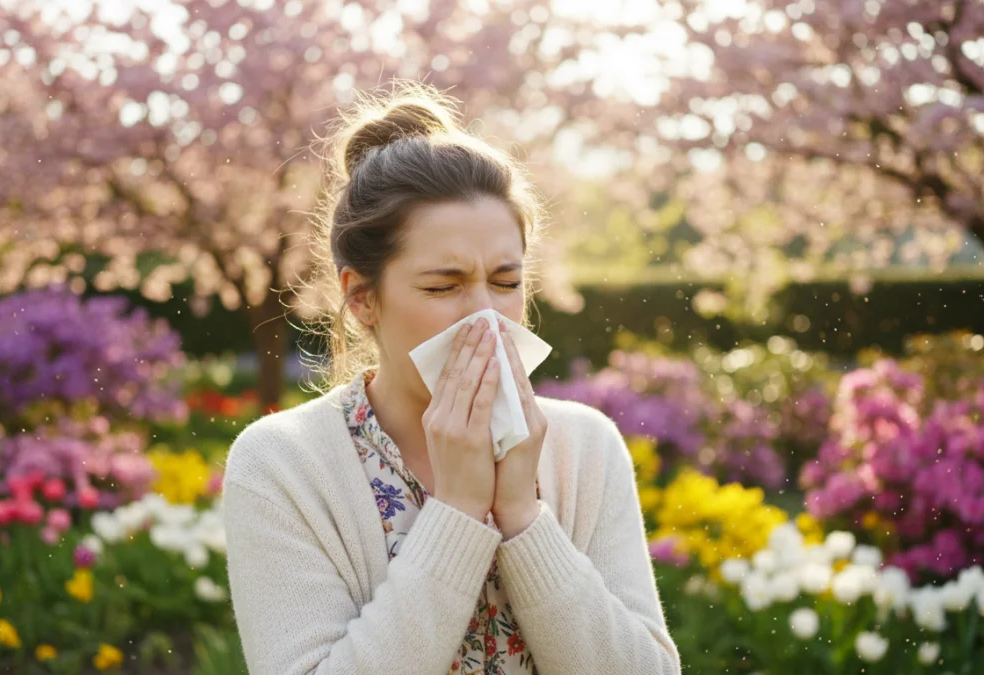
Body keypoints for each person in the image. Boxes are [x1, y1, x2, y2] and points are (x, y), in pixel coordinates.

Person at [221, 83, 681, 675]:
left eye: (506, 282)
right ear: (362, 298)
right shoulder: (283, 464)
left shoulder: (583, 448)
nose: (485, 316)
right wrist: (459, 513)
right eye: (443, 287)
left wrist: (522, 515)